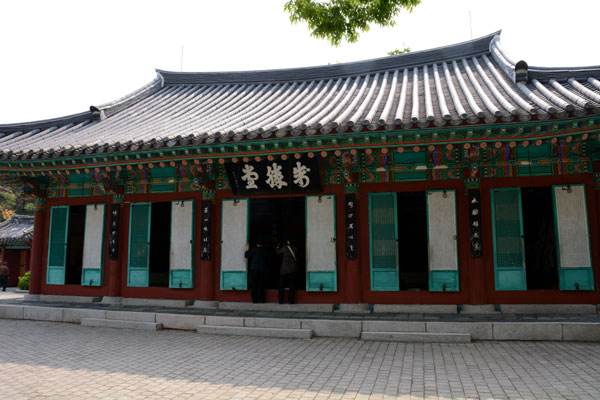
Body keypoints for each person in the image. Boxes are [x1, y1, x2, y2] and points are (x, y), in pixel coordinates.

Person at [276, 240, 297, 304]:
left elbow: (277, 252)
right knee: (292, 286)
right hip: (293, 270)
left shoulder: (284, 249)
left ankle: (280, 300)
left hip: (284, 270)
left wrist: (277, 246)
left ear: (288, 242)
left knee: (281, 286)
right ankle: (291, 301)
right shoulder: (295, 249)